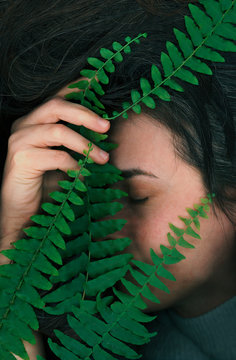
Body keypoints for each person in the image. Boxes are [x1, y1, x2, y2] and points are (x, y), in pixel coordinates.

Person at [0, 1, 235, 359]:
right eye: (80, 193)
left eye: (138, 194)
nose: (101, 227)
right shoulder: (85, 335)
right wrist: (17, 246)